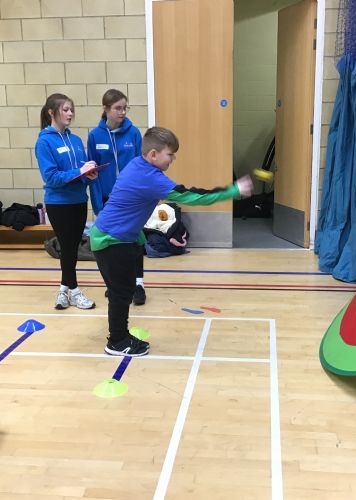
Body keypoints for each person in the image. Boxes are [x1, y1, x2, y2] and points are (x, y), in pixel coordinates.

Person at [91, 126, 253, 357]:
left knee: (122, 291)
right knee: (121, 293)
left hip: (115, 237)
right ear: (153, 154)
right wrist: (232, 191)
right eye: (170, 154)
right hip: (112, 240)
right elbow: (193, 197)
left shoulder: (138, 164)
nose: (173, 159)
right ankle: (117, 341)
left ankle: (121, 336)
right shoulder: (150, 177)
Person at [35, 93, 98, 310]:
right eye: (65, 109)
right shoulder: (44, 142)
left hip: (79, 201)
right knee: (69, 247)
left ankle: (63, 289)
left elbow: (80, 173)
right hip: (58, 203)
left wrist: (88, 175)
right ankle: (75, 291)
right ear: (51, 112)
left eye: (72, 109)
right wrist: (79, 172)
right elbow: (51, 177)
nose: (70, 114)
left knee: (71, 247)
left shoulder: (76, 140)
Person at [87, 89, 147, 305]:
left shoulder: (134, 134)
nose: (122, 112)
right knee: (110, 244)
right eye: (118, 108)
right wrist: (97, 203)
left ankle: (138, 283)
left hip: (131, 199)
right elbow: (92, 173)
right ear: (106, 109)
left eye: (125, 108)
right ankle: (115, 284)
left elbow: (142, 166)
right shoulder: (95, 136)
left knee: (134, 240)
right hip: (108, 199)